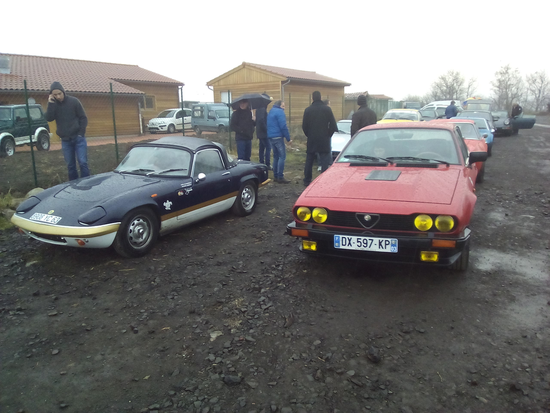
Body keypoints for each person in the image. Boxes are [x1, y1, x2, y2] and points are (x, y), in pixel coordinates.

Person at [45, 81, 89, 181]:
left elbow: (83, 118)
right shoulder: (54, 105)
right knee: (70, 165)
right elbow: (49, 118)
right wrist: (50, 103)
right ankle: (73, 186)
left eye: (59, 93)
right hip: (65, 140)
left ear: (63, 92)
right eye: (55, 95)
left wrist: (81, 134)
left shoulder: (74, 101)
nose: (58, 96)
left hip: (78, 138)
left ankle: (87, 184)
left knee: (83, 162)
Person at [302, 91, 338, 186]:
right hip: (324, 138)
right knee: (324, 160)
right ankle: (324, 179)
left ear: (312, 98)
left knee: (309, 159)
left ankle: (307, 180)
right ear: (321, 98)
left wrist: (309, 135)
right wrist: (328, 135)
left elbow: (304, 126)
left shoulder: (308, 110)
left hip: (312, 138)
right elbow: (333, 125)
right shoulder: (327, 109)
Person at [267, 100, 292, 183]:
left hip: (271, 136)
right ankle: (280, 176)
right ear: (280, 106)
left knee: (275, 156)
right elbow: (283, 126)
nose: (284, 108)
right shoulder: (280, 112)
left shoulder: (271, 111)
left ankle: (275, 176)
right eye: (283, 106)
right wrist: (288, 138)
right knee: (282, 156)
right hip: (278, 137)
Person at [255, 94, 272, 169]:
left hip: (260, 132)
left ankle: (261, 163)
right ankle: (267, 164)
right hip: (263, 132)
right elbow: (261, 120)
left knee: (261, 148)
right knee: (268, 147)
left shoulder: (259, 108)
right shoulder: (262, 108)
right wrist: (266, 129)